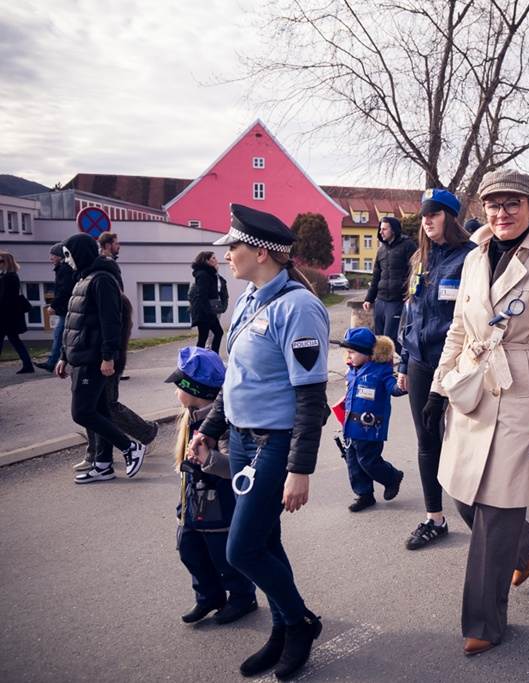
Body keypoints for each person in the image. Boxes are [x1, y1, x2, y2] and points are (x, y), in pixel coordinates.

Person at [422, 168, 529, 656]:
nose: (502, 213)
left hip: (522, 393)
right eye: (493, 204)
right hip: (473, 389)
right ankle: (522, 544)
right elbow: (459, 331)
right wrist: (438, 387)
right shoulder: (472, 259)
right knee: (464, 495)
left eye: (512, 203)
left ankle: (484, 623)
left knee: (496, 507)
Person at [190, 204, 329, 680]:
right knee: (266, 542)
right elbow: (237, 380)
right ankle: (283, 628)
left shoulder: (299, 308)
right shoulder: (249, 297)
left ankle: (300, 622)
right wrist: (208, 430)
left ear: (262, 253)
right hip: (244, 443)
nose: (227, 254)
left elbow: (312, 399)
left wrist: (300, 469)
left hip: (277, 444)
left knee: (242, 550)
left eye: (234, 246)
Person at [397, 188, 473, 549]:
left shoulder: (472, 259)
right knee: (427, 440)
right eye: (424, 215)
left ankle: (484, 519)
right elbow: (409, 312)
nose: (426, 221)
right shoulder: (419, 259)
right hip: (420, 362)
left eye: (434, 214)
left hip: (457, 367)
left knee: (464, 444)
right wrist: (402, 361)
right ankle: (434, 518)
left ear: (450, 217)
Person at [168, 346, 257, 626]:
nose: (174, 392)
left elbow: (238, 468)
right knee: (189, 549)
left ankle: (243, 596)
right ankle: (208, 596)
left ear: (196, 391)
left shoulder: (223, 423)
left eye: (177, 386)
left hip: (221, 508)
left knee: (223, 556)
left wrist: (209, 458)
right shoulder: (190, 417)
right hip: (193, 504)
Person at [56, 234, 147, 482]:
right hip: (80, 358)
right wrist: (64, 355)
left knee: (82, 412)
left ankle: (130, 447)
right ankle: (103, 465)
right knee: (100, 411)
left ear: (80, 253)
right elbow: (72, 324)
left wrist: (109, 357)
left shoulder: (102, 280)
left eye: (68, 255)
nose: (67, 260)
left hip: (94, 358)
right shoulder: (82, 279)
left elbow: (111, 322)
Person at [337, 327, 404, 512]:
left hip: (370, 427)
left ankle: (392, 477)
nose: (348, 357)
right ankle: (364, 494)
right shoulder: (352, 370)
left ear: (368, 353)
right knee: (353, 462)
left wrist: (403, 385)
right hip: (350, 425)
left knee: (368, 461)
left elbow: (393, 388)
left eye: (352, 352)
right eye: (347, 352)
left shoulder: (381, 371)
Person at [363, 215, 416, 350]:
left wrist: (411, 295)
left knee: (391, 339)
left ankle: (400, 367)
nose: (381, 232)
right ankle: (383, 368)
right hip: (380, 301)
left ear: (394, 230)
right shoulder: (381, 250)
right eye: (380, 229)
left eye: (384, 229)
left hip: (397, 301)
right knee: (379, 338)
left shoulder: (408, 245)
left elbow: (415, 272)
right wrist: (369, 298)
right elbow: (376, 276)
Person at [35, 244, 75, 372]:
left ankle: (53, 362)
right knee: (61, 336)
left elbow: (64, 291)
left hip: (65, 309)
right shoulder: (63, 268)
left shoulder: (64, 269)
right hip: (66, 308)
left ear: (59, 256)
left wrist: (53, 305)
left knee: (59, 336)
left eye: (52, 255)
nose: (50, 258)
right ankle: (54, 362)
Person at [0, 251, 35, 374]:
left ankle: (28, 365)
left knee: (14, 341)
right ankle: (28, 365)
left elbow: (5, 298)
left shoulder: (8, 277)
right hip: (9, 316)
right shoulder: (10, 276)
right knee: (15, 340)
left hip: (5, 316)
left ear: (5, 262)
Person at [189, 251, 229, 353]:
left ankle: (206, 358)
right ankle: (205, 358)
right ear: (207, 260)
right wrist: (209, 312)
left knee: (207, 336)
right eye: (213, 258)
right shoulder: (203, 274)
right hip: (204, 312)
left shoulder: (209, 273)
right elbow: (202, 295)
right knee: (213, 334)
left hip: (207, 311)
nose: (216, 260)